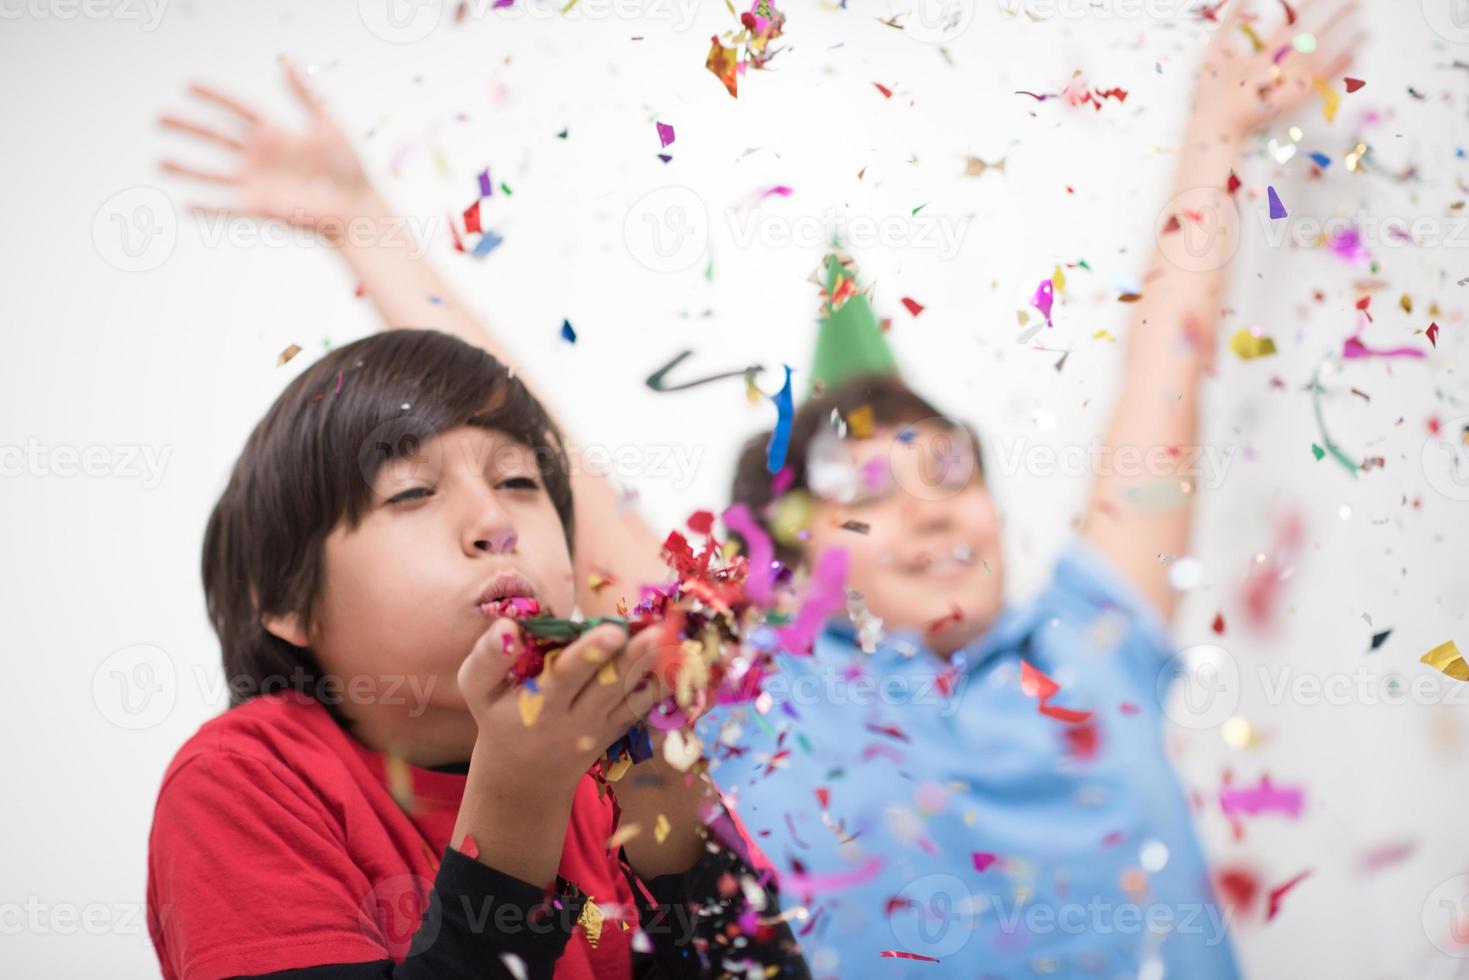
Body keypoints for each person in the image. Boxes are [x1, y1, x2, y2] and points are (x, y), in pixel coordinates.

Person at [153, 2, 1358, 973]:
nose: (933, 506)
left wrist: (1212, 135)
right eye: (863, 493)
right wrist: (363, 223)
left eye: (950, 472)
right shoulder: (744, 693)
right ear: (776, 554)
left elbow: (1162, 398)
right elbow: (522, 467)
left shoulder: (1090, 642)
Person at [145, 328, 810, 979]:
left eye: (519, 481)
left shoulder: (613, 761)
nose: (495, 525)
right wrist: (517, 803)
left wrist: (674, 829)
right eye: (410, 492)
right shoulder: (242, 782)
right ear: (285, 597)